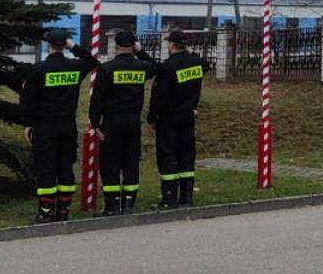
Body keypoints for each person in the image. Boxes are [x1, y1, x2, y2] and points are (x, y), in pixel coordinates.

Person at [19, 29, 97, 222]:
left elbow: (27, 103)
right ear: (64, 45)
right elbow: (92, 61)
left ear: (48, 45)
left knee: (46, 170)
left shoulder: (38, 70)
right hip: (67, 127)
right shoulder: (75, 67)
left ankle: (45, 213)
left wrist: (28, 124)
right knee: (65, 169)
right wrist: (74, 46)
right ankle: (63, 211)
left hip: (45, 128)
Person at [90, 30, 159, 215]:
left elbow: (97, 99)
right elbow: (157, 67)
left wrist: (95, 123)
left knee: (110, 162)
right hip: (133, 121)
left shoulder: (107, 68)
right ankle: (129, 202)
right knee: (131, 161)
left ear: (116, 45)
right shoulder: (142, 66)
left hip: (112, 121)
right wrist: (141, 51)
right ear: (133, 45)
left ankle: (112, 205)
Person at [149, 30, 206, 209]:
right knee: (187, 157)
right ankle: (186, 198)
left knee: (168, 157)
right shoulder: (197, 63)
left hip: (169, 118)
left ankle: (169, 198)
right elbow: (205, 64)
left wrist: (152, 118)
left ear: (171, 44)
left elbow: (159, 97)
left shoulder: (167, 67)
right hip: (188, 116)